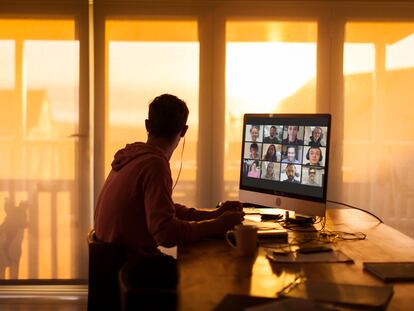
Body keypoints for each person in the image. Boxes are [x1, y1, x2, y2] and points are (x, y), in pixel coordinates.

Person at [94, 94, 244, 256]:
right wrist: (216, 226)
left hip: (110, 264)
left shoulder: (131, 157)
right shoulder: (154, 165)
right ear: (184, 131)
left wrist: (215, 214)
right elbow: (166, 233)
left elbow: (163, 209)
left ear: (147, 125)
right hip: (130, 268)